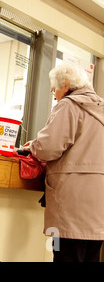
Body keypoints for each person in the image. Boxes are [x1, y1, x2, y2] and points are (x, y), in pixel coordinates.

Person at [23, 62, 104, 262]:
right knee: (90, 256)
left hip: (72, 205)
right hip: (99, 208)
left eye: (54, 89)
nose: (54, 95)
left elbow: (48, 148)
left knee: (63, 254)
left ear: (66, 85)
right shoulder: (101, 108)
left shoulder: (69, 106)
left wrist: (32, 145)